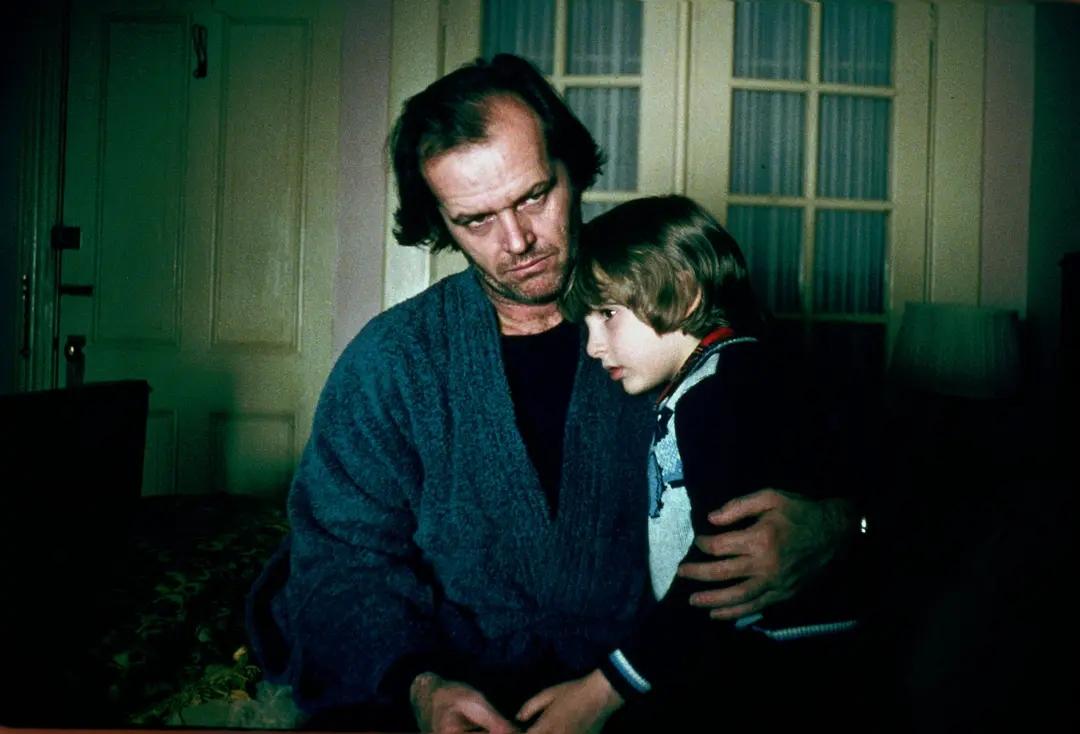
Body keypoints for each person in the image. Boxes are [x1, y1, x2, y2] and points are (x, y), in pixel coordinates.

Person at [245, 53, 861, 734]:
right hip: (457, 696)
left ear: (573, 169)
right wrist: (419, 685)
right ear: (440, 222)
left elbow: (866, 459)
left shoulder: (679, 314)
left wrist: (840, 526)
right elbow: (339, 557)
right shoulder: (392, 361)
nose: (517, 242)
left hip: (656, 691)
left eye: (534, 196)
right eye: (475, 220)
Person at [513, 195, 862, 733]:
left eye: (608, 315)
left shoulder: (718, 392)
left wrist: (604, 689)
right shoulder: (715, 378)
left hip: (779, 671)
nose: (593, 346)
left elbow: (717, 577)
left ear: (684, 291)